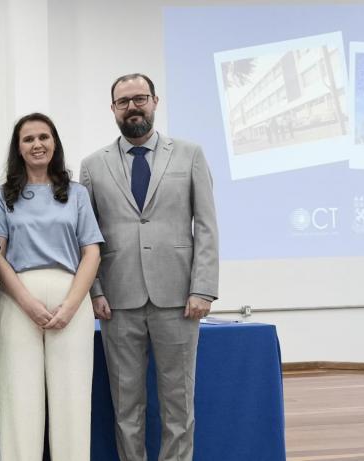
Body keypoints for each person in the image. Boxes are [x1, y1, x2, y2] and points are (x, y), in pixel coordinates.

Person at [80, 73, 219, 461]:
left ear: (155, 101)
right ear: (113, 109)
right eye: (123, 102)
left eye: (140, 98)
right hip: (117, 301)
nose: (133, 107)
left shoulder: (190, 154)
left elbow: (206, 225)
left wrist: (203, 288)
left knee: (179, 404)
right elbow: (86, 235)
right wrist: (95, 290)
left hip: (178, 298)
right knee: (126, 407)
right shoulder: (92, 166)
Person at [0, 113, 103, 460]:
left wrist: (70, 305)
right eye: (28, 139)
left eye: (44, 137)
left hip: (71, 299)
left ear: (55, 143)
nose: (37, 144)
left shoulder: (77, 193)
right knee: (18, 399)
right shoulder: (4, 196)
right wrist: (27, 302)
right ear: (18, 148)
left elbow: (91, 252)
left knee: (73, 399)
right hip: (17, 300)